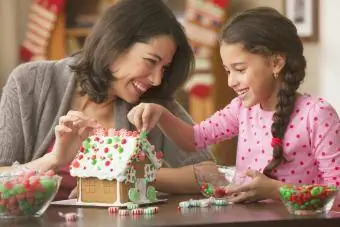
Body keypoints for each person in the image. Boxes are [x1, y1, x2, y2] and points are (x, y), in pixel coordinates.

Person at [127, 7, 340, 210]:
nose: (231, 81)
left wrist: (274, 190)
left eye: (239, 69)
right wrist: (161, 114)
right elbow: (194, 139)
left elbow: (336, 194)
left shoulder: (317, 114)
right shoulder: (241, 109)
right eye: (228, 71)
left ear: (276, 63)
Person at [0, 0, 214, 200]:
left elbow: (211, 174)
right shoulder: (29, 82)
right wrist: (53, 160)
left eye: (164, 68)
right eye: (150, 61)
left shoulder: (153, 105)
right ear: (115, 45)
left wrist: (126, 174)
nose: (157, 79)